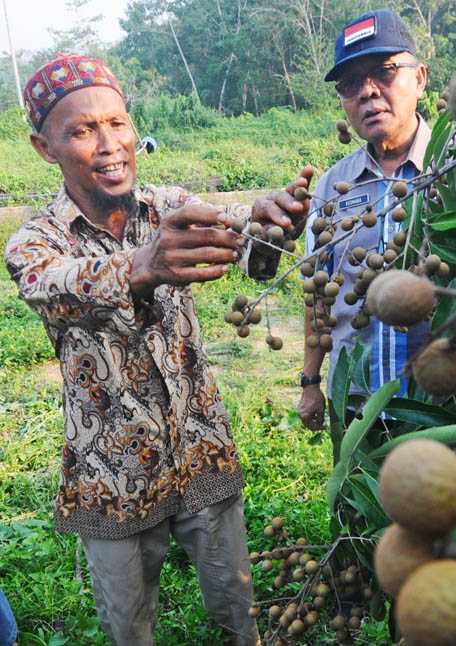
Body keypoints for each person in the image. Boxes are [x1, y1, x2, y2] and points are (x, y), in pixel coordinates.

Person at [4, 53, 313, 646]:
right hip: (111, 471)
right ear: (45, 148)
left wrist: (273, 224)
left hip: (200, 446)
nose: (109, 144)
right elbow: (52, 286)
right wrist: (143, 264)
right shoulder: (35, 241)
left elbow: (245, 242)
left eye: (116, 123)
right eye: (83, 130)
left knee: (238, 611)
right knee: (130, 627)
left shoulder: (169, 205)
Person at [297, 9, 431, 432]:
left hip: (442, 406)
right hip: (355, 406)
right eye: (351, 84)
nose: (368, 92)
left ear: (420, 79)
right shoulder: (331, 188)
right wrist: (310, 381)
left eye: (384, 72)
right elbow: (317, 294)